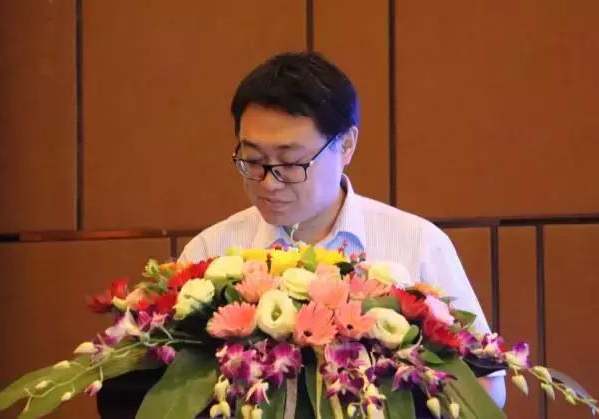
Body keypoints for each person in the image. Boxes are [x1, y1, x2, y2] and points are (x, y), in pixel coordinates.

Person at [179, 51, 506, 407]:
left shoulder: (418, 245)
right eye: (254, 160)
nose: (269, 183)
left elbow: (487, 388)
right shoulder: (210, 252)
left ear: (346, 145)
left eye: (291, 162)